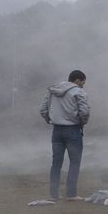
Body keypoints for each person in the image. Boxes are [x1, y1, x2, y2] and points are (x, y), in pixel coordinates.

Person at [38, 70, 90, 201]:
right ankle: (71, 194)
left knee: (56, 163)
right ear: (78, 80)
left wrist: (49, 119)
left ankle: (54, 194)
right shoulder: (78, 91)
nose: (83, 84)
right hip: (72, 130)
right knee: (74, 162)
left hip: (56, 131)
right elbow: (84, 111)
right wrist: (82, 122)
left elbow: (43, 109)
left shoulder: (53, 91)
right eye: (83, 81)